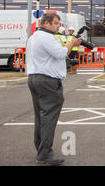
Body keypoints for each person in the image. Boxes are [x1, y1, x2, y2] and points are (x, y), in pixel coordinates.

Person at [26, 12, 82, 165]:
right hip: (47, 81)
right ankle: (44, 153)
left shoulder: (34, 37)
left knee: (40, 116)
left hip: (34, 78)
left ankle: (40, 148)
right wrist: (72, 44)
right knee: (49, 117)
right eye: (56, 23)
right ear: (47, 24)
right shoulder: (47, 37)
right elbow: (61, 53)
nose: (59, 26)